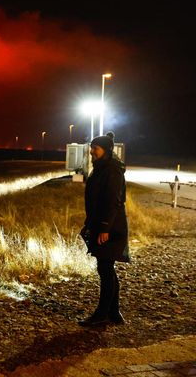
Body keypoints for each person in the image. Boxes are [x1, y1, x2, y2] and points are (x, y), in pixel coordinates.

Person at [79, 135, 130, 327]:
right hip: (103, 224)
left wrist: (105, 228)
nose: (92, 151)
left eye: (96, 148)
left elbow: (113, 201)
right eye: (92, 147)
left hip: (110, 227)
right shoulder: (102, 167)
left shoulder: (112, 170)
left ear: (106, 150)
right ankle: (114, 312)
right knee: (107, 267)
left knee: (105, 268)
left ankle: (102, 314)